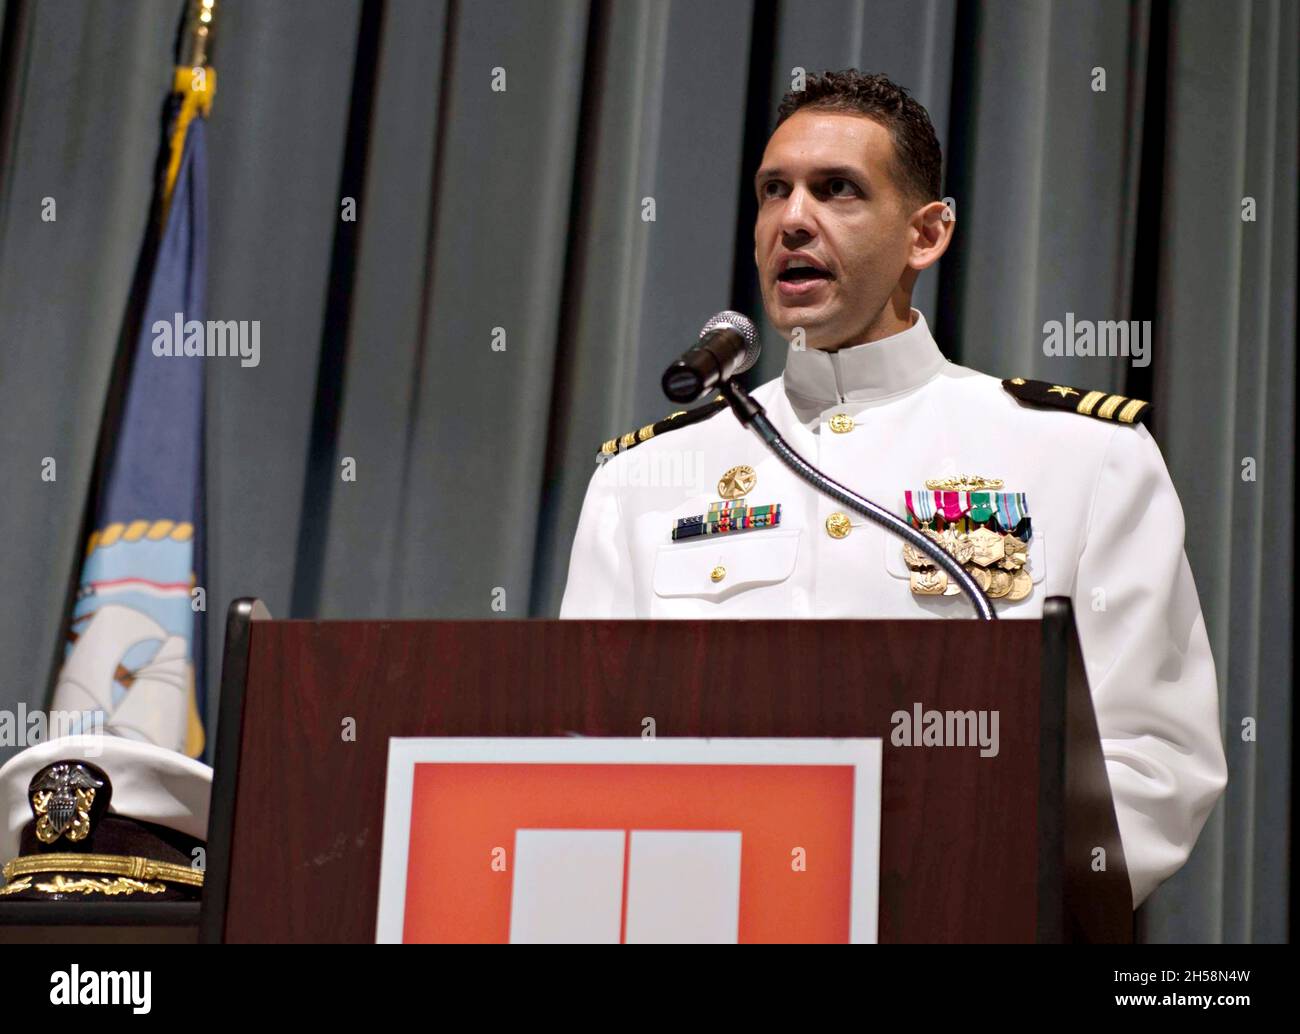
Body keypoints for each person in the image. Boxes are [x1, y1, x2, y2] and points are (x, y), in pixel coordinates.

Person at [559, 70, 1226, 909]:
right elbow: (585, 749)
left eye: (837, 190)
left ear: (927, 232)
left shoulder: (1083, 455)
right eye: (774, 191)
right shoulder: (642, 481)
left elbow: (1153, 754)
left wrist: (969, 896)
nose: (791, 220)